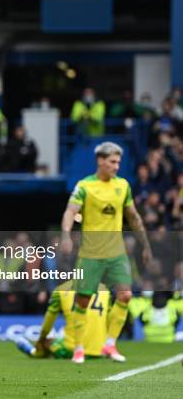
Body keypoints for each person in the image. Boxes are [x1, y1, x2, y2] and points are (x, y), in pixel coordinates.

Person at [61, 142, 153, 364]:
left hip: (116, 252)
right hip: (90, 253)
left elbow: (133, 217)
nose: (116, 166)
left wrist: (145, 243)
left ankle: (110, 344)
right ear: (100, 161)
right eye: (112, 161)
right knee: (83, 301)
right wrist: (65, 234)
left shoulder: (123, 186)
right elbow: (70, 211)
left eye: (118, 162)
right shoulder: (84, 186)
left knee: (125, 295)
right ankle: (79, 348)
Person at [16, 281, 109, 359]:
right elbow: (109, 319)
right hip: (99, 350)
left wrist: (41, 339)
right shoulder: (105, 289)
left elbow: (49, 319)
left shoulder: (61, 289)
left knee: (47, 342)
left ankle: (32, 351)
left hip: (71, 350)